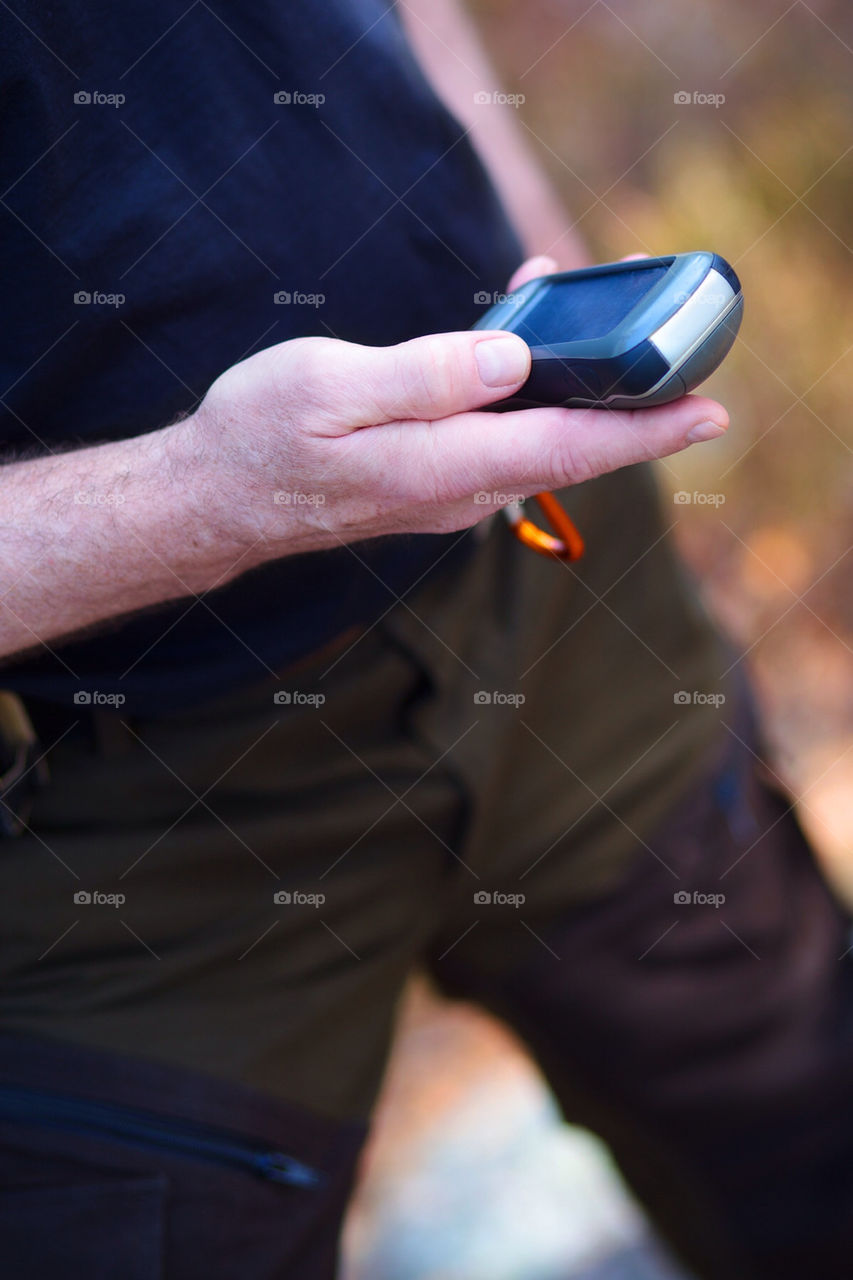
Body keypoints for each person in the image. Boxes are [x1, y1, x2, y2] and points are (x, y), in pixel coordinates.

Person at [0, 1, 850, 1276]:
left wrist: (531, 232)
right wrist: (205, 497)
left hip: (561, 590)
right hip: (128, 790)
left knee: (811, 1133)